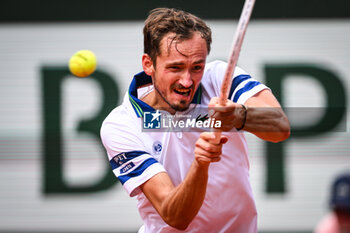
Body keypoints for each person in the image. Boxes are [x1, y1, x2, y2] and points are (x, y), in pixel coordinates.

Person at [100, 7, 290, 233]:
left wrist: (239, 116)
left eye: (197, 67)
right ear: (148, 63)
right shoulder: (121, 125)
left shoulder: (221, 78)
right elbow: (175, 216)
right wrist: (201, 163)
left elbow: (280, 127)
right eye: (175, 68)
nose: (187, 81)